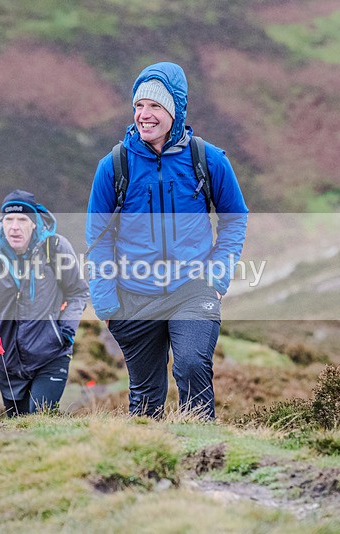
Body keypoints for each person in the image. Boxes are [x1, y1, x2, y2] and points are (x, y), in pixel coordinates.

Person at [86, 62, 248, 420]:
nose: (144, 115)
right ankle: (150, 469)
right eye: (139, 106)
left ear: (175, 109)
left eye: (155, 107)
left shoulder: (207, 160)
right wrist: (106, 303)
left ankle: (204, 458)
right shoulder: (114, 165)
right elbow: (97, 238)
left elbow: (235, 219)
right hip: (133, 294)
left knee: (191, 367)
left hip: (192, 288)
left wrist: (216, 279)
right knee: (145, 400)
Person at [0, 190, 89, 416]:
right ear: (2, 222)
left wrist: (65, 332)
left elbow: (78, 292)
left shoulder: (55, 248)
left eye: (22, 219)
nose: (14, 226)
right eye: (9, 219)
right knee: (18, 423)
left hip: (51, 353)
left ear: (34, 223)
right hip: (6, 358)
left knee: (39, 416)